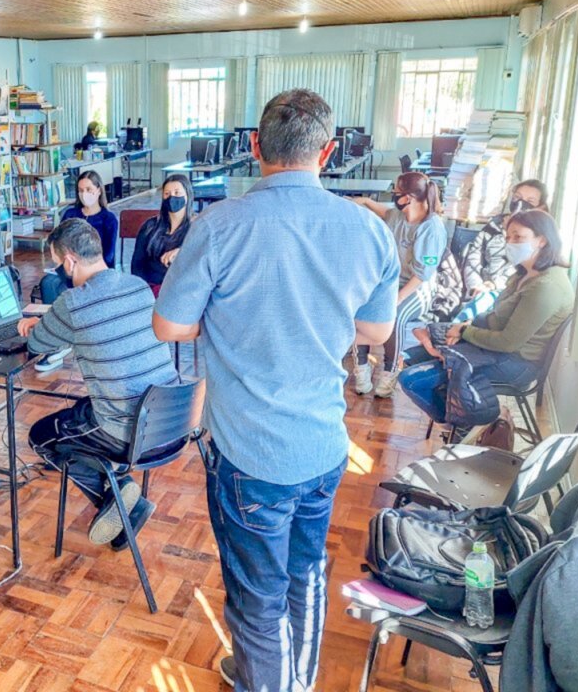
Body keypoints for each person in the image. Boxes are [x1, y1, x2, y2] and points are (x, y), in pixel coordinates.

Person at [152, 89, 399, 692]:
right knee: (306, 576)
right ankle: (294, 679)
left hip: (249, 453)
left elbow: (169, 326)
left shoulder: (218, 226)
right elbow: (374, 331)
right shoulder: (368, 230)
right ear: (329, 152)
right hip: (322, 446)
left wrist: (230, 316)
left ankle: (266, 681)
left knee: (257, 597)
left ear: (255, 147)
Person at [18, 218, 179, 548]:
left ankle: (121, 496)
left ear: (70, 261)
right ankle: (121, 497)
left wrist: (33, 325)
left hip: (129, 433)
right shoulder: (137, 286)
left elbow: (37, 346)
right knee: (80, 412)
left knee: (43, 436)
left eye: (57, 264)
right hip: (172, 420)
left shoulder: (72, 303)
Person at [400, 209, 573, 429]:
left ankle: (463, 423)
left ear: (542, 240)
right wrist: (462, 326)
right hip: (496, 351)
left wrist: (463, 332)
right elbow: (496, 318)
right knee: (412, 355)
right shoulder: (523, 274)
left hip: (515, 363)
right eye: (508, 237)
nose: (510, 243)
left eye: (518, 237)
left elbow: (508, 342)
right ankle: (464, 413)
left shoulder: (546, 287)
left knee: (411, 380)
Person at [351, 171, 448, 397]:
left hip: (418, 287)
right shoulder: (399, 215)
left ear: (409, 197)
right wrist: (365, 201)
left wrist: (397, 298)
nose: (393, 196)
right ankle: (361, 368)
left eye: (396, 193)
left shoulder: (431, 227)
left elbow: (422, 275)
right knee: (360, 310)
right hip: (391, 281)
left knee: (395, 316)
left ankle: (390, 371)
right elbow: (385, 212)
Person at [455, 179, 549, 321]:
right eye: (517, 197)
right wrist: (475, 286)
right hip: (479, 290)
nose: (521, 203)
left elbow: (522, 269)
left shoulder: (537, 237)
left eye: (530, 200)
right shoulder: (493, 226)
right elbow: (473, 258)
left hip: (506, 292)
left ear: (541, 207)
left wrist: (493, 285)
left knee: (474, 313)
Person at [38, 170, 118, 304]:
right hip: (67, 268)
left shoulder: (109, 219)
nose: (84, 194)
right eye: (80, 190)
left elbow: (109, 255)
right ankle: (52, 320)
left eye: (88, 189)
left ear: (99, 190)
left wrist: (82, 265)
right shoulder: (70, 214)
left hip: (94, 270)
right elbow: (58, 243)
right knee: (48, 283)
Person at [131, 174, 193, 296]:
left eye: (177, 193)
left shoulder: (196, 228)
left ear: (188, 195)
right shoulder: (149, 226)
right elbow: (137, 265)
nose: (172, 197)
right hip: (149, 290)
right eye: (167, 194)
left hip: (180, 292)